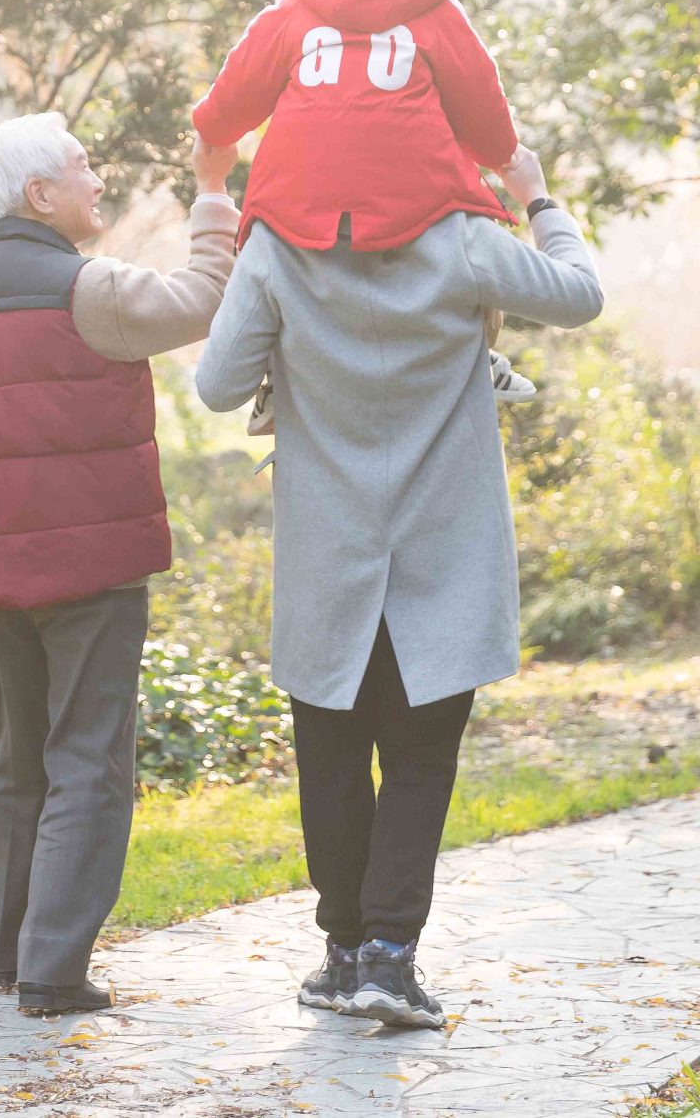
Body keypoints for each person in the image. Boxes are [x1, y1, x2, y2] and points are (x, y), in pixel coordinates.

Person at [195, 141, 601, 1029]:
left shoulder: (276, 249)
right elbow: (581, 293)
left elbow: (216, 384)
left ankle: (344, 956)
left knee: (331, 757)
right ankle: (387, 957)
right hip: (442, 556)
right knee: (419, 760)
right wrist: (534, 194)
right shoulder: (460, 238)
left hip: (328, 555)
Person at [0, 112, 240, 1017]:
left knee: (22, 758)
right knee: (89, 759)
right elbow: (203, 298)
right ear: (40, 194)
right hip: (90, 569)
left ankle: (11, 956)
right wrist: (213, 194)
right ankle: (55, 970)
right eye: (83, 167)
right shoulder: (85, 288)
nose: (98, 181)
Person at [192, 0, 538, 426]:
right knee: (475, 237)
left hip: (297, 211)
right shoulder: (439, 11)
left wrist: (212, 148)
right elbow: (487, 116)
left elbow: (223, 112)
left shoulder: (292, 9)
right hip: (420, 206)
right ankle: (479, 348)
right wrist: (502, 162)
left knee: (272, 254)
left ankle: (274, 371)